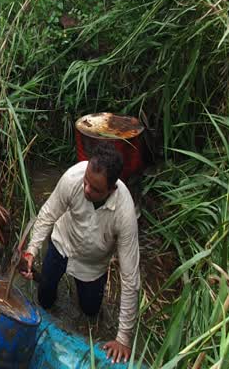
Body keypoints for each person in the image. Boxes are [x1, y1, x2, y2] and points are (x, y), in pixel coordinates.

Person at [20, 144, 140, 364]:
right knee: (45, 296)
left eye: (95, 189)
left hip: (93, 265)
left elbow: (130, 277)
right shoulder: (73, 178)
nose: (86, 189)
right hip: (62, 243)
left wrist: (123, 338)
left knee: (90, 310)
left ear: (112, 189)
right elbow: (48, 214)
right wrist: (31, 251)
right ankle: (46, 291)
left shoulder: (125, 213)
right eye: (86, 181)